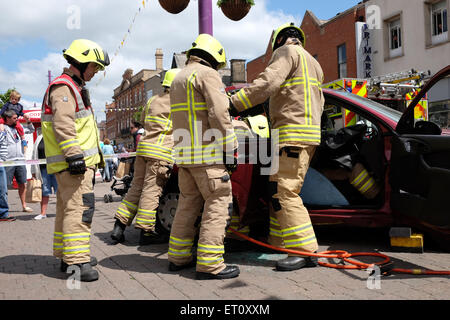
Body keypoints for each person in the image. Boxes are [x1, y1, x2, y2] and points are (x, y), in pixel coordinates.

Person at [229, 23, 325, 272]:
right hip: (306, 137)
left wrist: (234, 104)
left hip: (291, 135)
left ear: (280, 41)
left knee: (285, 193)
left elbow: (266, 84)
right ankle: (278, 242)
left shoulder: (287, 53)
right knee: (277, 190)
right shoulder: (313, 64)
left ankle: (305, 251)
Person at [167, 34, 240, 280]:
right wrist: (230, 149)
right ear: (213, 58)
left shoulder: (178, 77)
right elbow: (219, 114)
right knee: (218, 204)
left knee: (187, 205)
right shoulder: (207, 74)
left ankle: (178, 257)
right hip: (208, 156)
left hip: (185, 156)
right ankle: (210, 264)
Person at [41, 38, 110, 282]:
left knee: (67, 210)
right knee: (80, 210)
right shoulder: (64, 87)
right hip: (74, 165)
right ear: (80, 63)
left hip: (73, 164)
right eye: (94, 67)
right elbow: (64, 124)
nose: (95, 72)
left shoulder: (72, 87)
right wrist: (74, 156)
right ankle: (77, 263)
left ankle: (67, 256)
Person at [111, 68, 181, 245]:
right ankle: (147, 231)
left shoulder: (152, 101)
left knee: (136, 188)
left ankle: (119, 226)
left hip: (143, 150)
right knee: (152, 191)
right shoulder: (179, 102)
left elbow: (142, 119)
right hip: (160, 152)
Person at [2, 109, 35, 213]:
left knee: (22, 184)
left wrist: (28, 120)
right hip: (8, 161)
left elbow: (31, 130)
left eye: (17, 117)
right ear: (7, 118)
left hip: (20, 160)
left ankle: (24, 206)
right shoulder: (3, 127)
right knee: (4, 185)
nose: (17, 119)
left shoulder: (19, 127)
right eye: (14, 118)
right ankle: (4, 208)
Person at [31, 134, 58, 220]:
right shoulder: (39, 138)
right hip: (43, 169)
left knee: (61, 191)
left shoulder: (56, 135)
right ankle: (43, 213)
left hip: (57, 169)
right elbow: (34, 154)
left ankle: (66, 212)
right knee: (44, 192)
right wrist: (33, 171)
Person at [0, 125, 14, 222]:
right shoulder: (2, 131)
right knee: (2, 190)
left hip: (2, 163)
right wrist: (2, 132)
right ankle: (3, 213)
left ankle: (3, 213)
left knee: (3, 191)